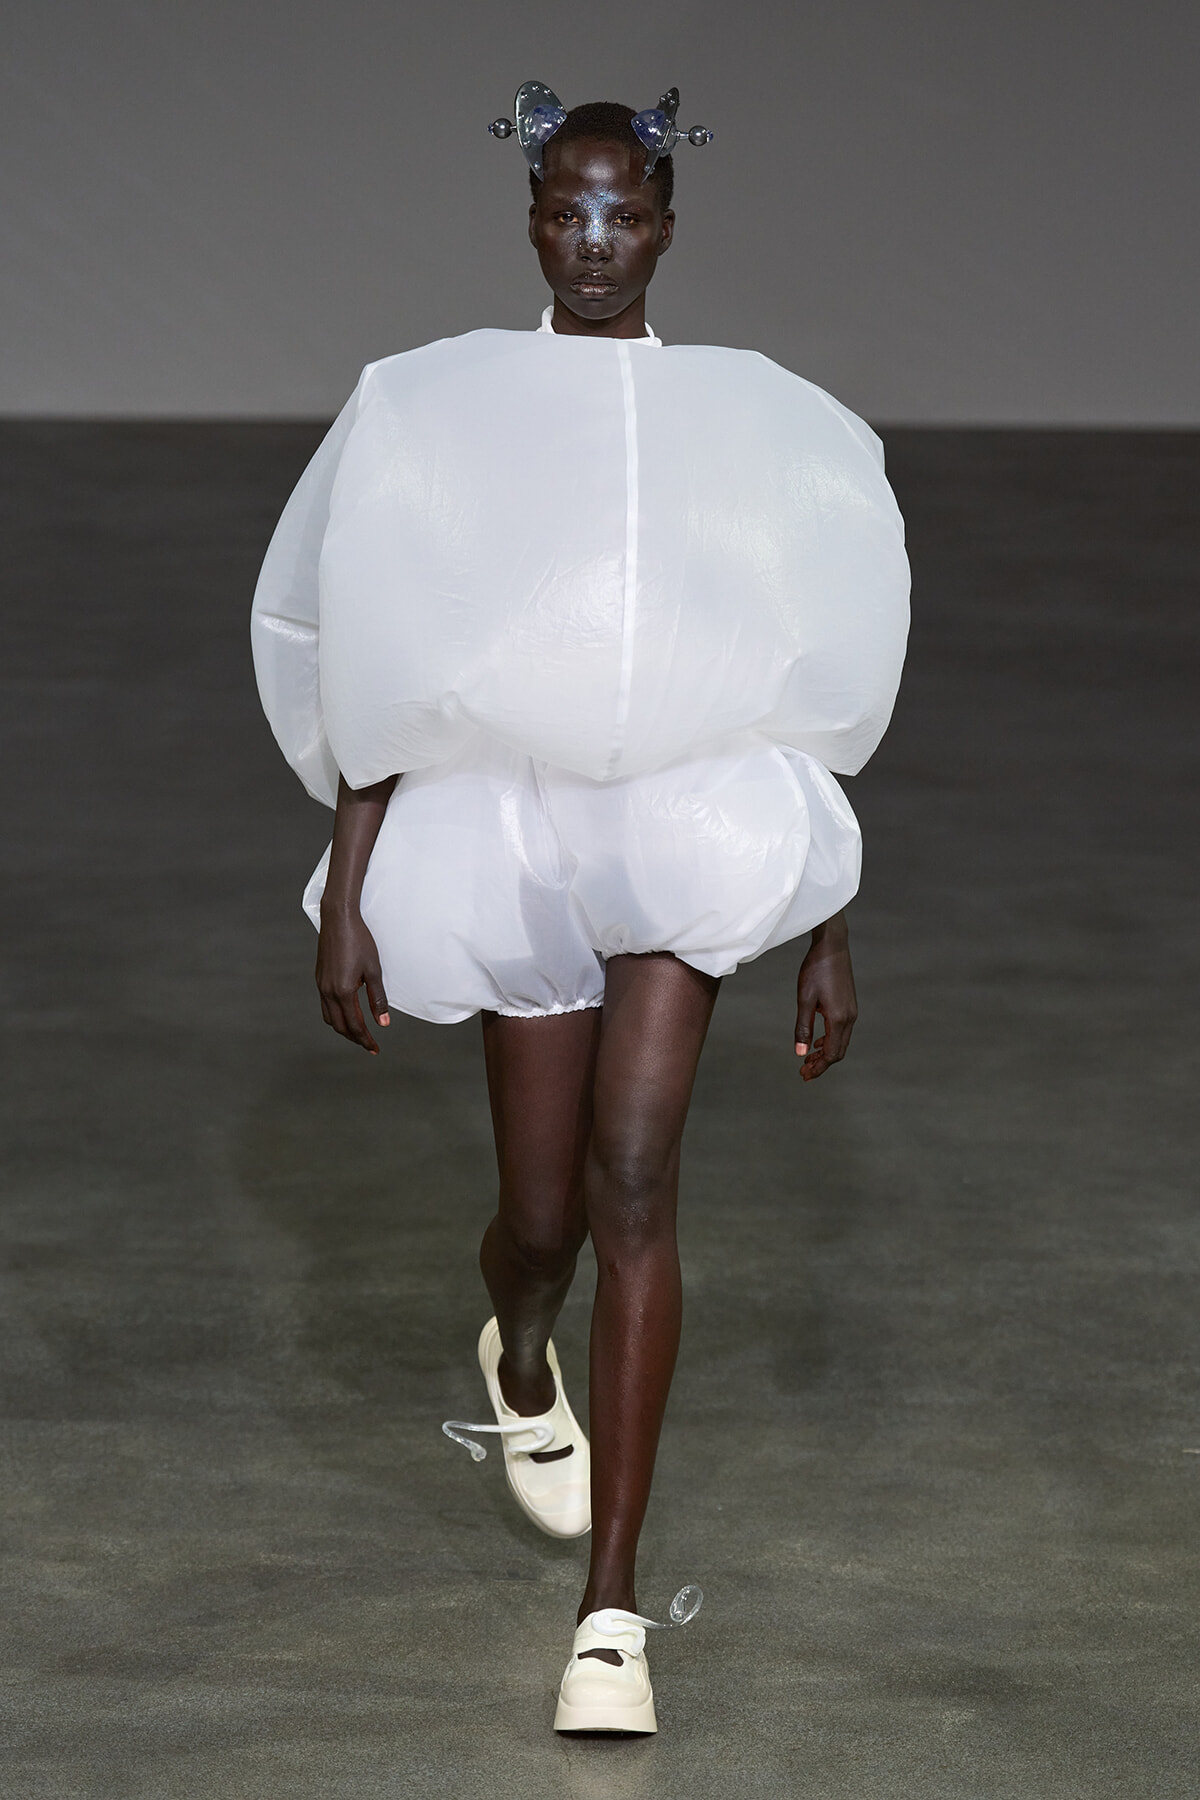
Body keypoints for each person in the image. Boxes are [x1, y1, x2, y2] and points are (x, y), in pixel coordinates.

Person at [251, 89, 909, 1734]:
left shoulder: (743, 418)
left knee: (633, 1184)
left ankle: (610, 1615)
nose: (595, 241)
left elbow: (799, 657)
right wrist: (349, 882)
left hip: (686, 816)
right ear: (531, 219)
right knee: (540, 1225)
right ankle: (521, 1351)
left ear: (669, 228)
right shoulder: (442, 404)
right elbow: (386, 633)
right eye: (566, 211)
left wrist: (827, 918)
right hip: (509, 817)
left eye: (623, 214)